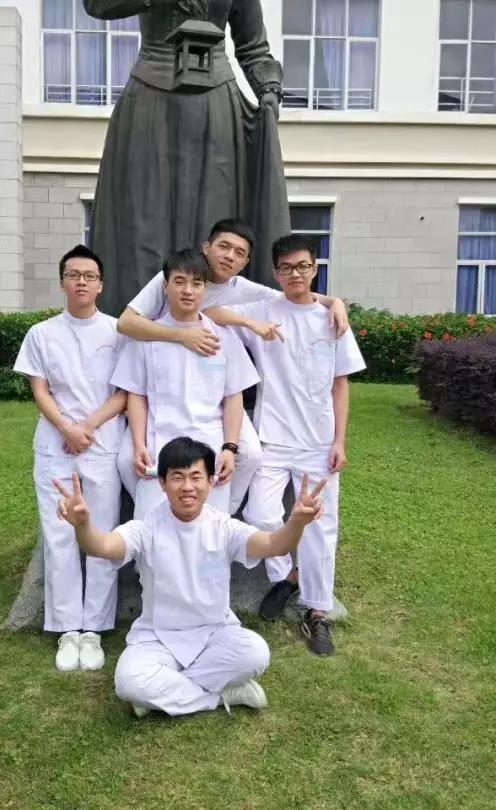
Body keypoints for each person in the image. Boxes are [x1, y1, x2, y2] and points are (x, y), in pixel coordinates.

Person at [53, 436, 330, 717]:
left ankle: (165, 693)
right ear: (162, 483)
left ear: (210, 481)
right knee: (128, 681)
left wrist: (296, 523)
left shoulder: (223, 527)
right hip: (157, 637)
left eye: (196, 477)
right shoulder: (146, 528)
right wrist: (83, 525)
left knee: (256, 653)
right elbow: (101, 546)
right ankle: (220, 695)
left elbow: (273, 544)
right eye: (177, 477)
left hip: (215, 632)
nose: (187, 486)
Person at [115, 218, 350, 513]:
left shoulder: (244, 291)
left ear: (245, 262)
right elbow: (126, 322)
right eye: (224, 246)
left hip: (207, 391)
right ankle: (151, 506)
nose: (229, 256)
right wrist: (182, 335)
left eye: (239, 253)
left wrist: (334, 302)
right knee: (127, 460)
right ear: (207, 247)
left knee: (249, 454)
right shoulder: (177, 274)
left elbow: (294, 294)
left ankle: (225, 513)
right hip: (161, 379)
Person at [83, 0, 290, 314]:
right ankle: (138, 322)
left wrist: (269, 89)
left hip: (216, 107)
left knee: (214, 219)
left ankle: (211, 322)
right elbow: (97, 6)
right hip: (149, 99)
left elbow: (253, 47)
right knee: (142, 223)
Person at [230, 234, 366, 656]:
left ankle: (317, 611)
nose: (295, 274)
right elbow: (210, 311)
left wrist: (340, 440)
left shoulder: (332, 320)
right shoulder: (263, 310)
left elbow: (340, 385)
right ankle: (285, 576)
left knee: (321, 526)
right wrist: (253, 326)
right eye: (287, 268)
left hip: (318, 442)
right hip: (271, 437)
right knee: (260, 514)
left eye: (303, 266)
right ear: (275, 273)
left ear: (315, 269)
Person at [13, 245, 127, 673]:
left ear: (101, 284)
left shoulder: (118, 331)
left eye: (89, 275)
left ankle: (93, 629)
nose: (81, 281)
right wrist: (66, 428)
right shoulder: (41, 334)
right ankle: (66, 628)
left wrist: (87, 427)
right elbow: (40, 390)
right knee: (59, 533)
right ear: (62, 282)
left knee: (101, 534)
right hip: (55, 445)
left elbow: (124, 392)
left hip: (102, 443)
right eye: (73, 274)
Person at [110, 247, 259, 518]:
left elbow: (233, 396)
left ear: (205, 288)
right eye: (179, 282)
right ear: (165, 286)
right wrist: (139, 444)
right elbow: (137, 395)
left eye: (196, 283)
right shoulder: (146, 337)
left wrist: (229, 448)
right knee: (153, 528)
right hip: (158, 448)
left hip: (210, 448)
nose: (188, 290)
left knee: (211, 531)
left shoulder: (223, 337)